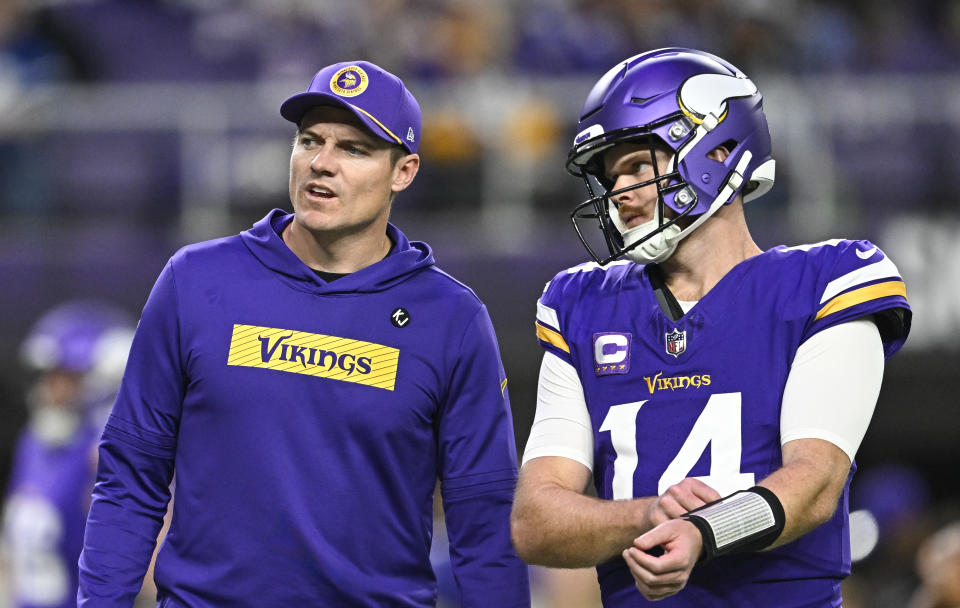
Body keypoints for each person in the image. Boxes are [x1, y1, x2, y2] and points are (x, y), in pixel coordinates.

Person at [77, 60, 529, 607]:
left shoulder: (452, 319)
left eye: (354, 149)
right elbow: (130, 478)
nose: (321, 163)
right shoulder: (196, 281)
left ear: (403, 172)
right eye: (310, 140)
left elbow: (484, 521)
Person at [510, 47, 911, 606]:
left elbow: (816, 481)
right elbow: (536, 520)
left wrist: (703, 532)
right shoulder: (583, 304)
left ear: (718, 148)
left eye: (637, 165)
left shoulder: (825, 281)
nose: (619, 194)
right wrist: (648, 514)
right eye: (610, 175)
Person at [3, 300, 134, 608]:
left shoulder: (106, 459)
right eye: (48, 377)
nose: (50, 389)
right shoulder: (34, 444)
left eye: (66, 377)